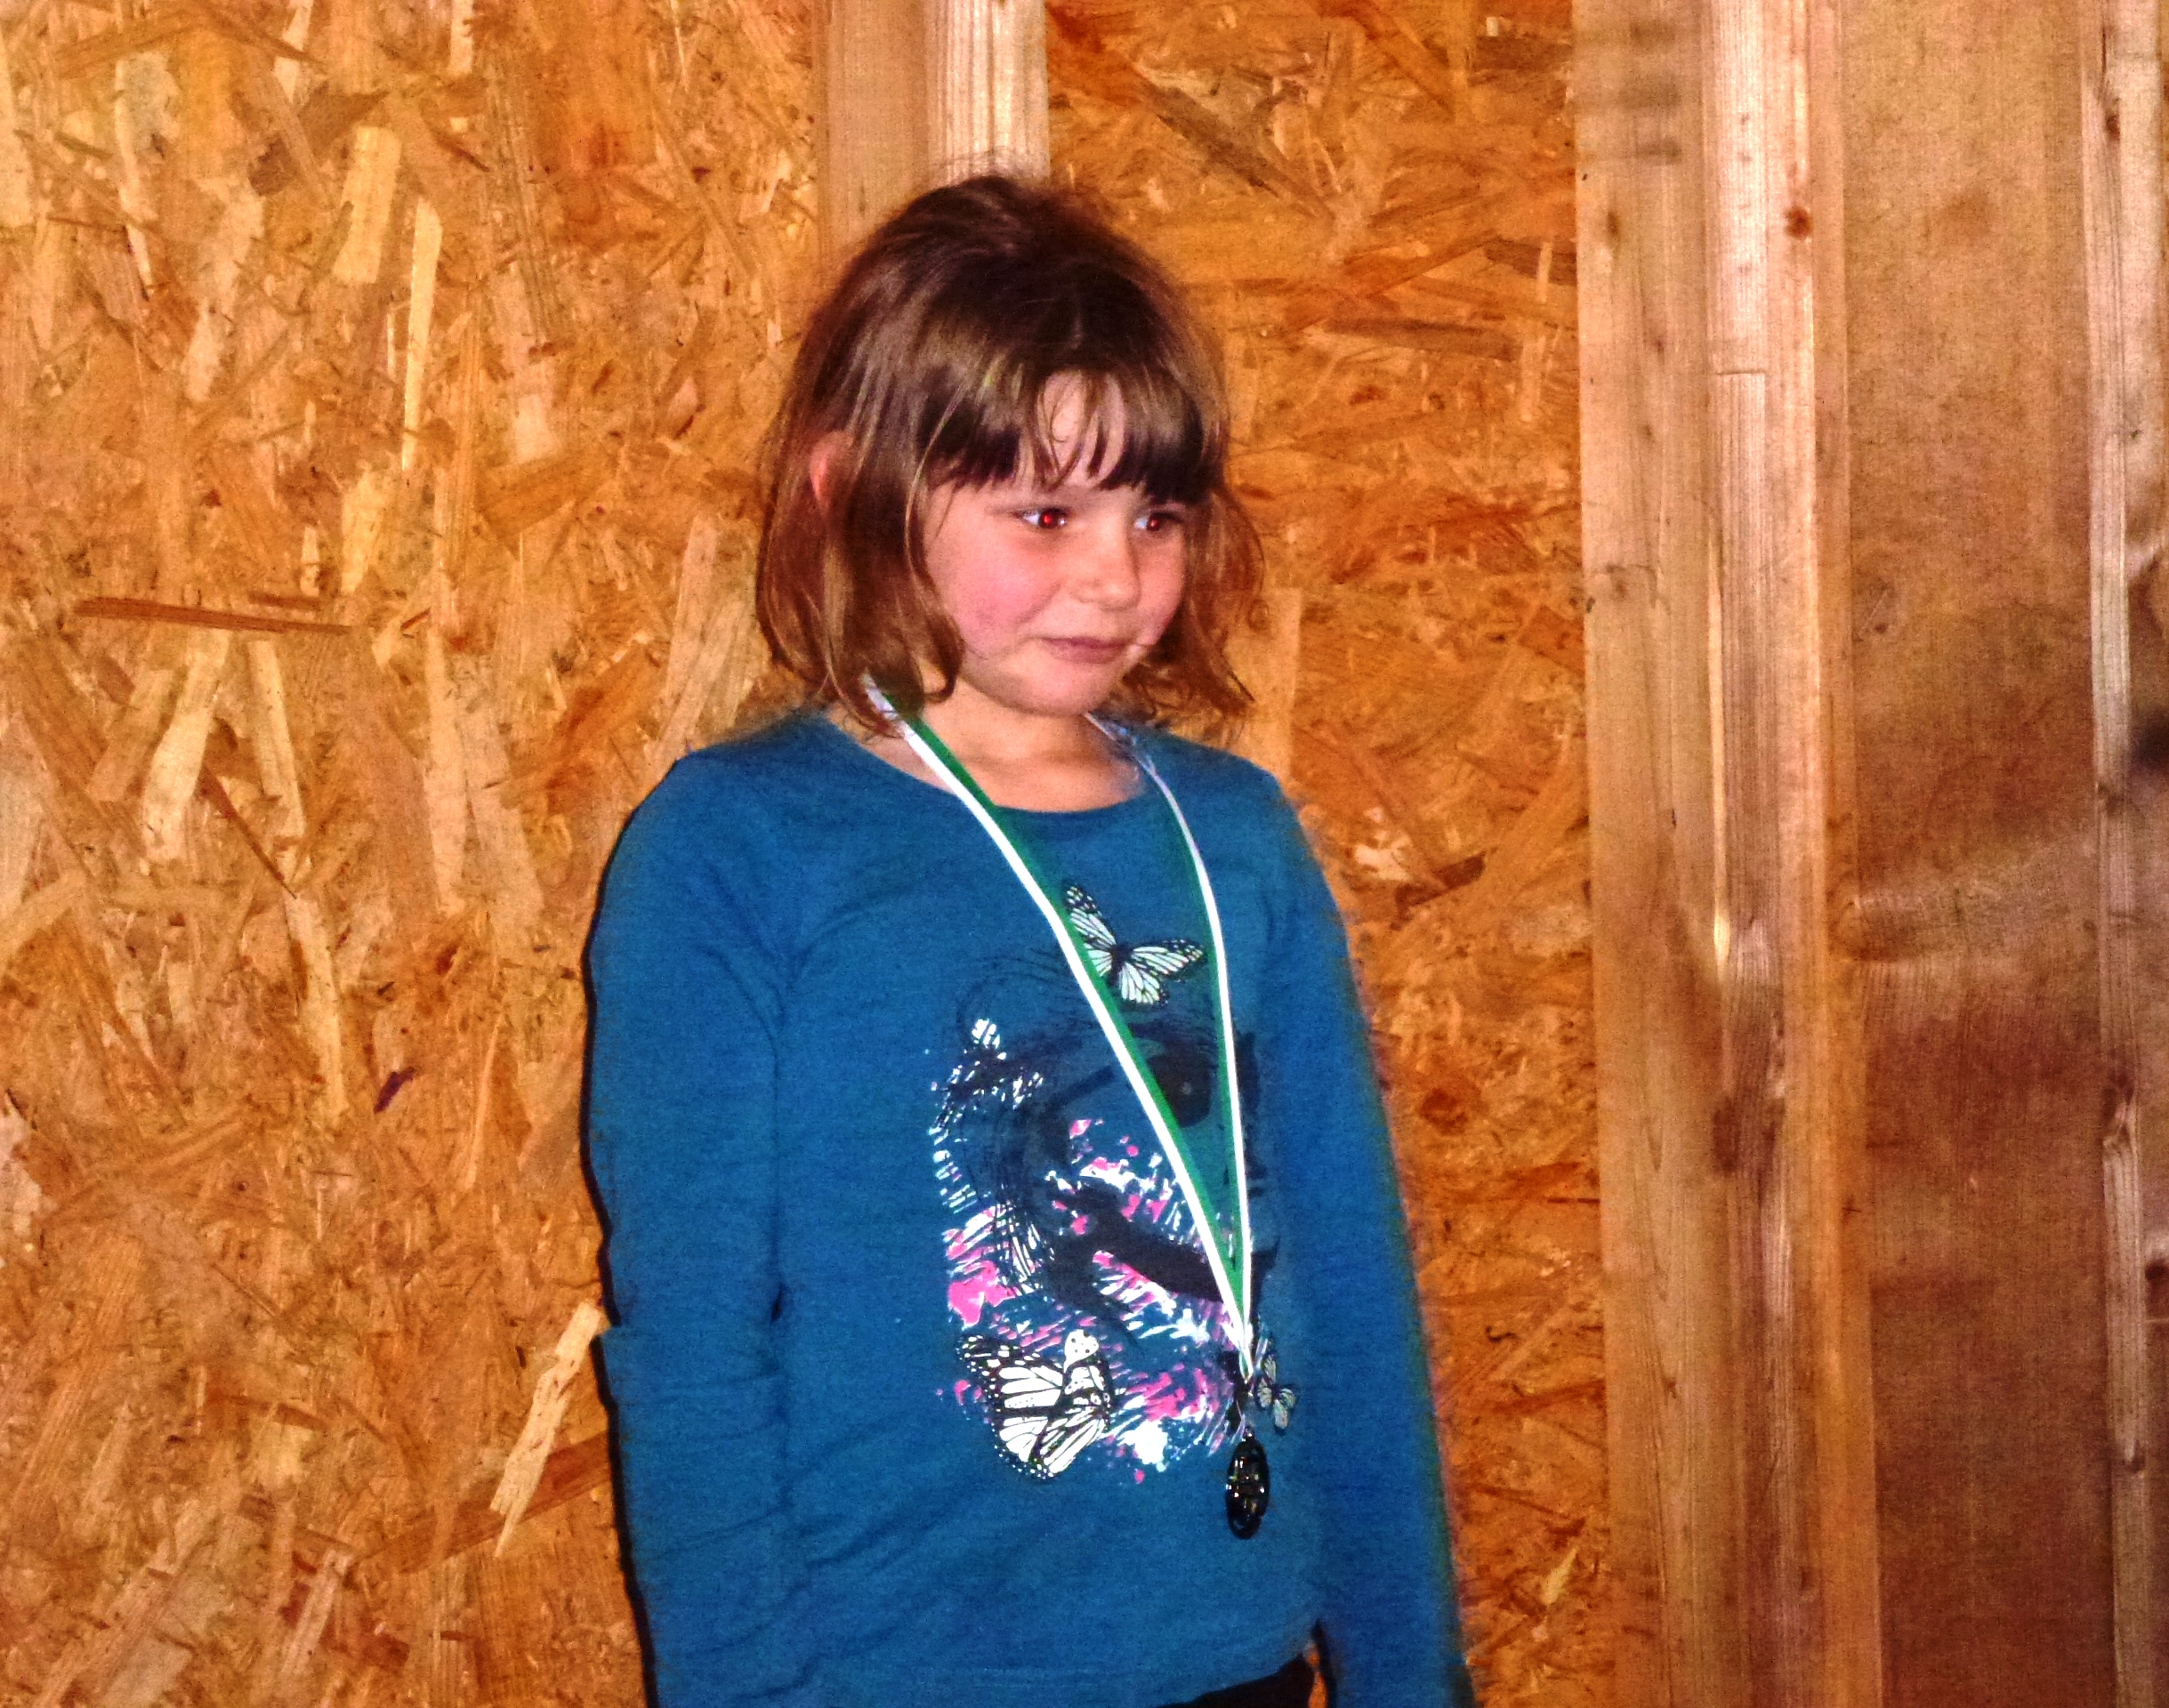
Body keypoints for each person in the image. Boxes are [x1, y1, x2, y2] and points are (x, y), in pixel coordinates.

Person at [585, 175, 1475, 1708]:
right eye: (1045, 514)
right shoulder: (739, 849)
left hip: (1235, 1658)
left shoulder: (1234, 837)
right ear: (851, 489)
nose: (1116, 577)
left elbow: (1349, 1278)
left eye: (1155, 516)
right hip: (901, 1675)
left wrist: (1409, 1675)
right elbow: (693, 1347)